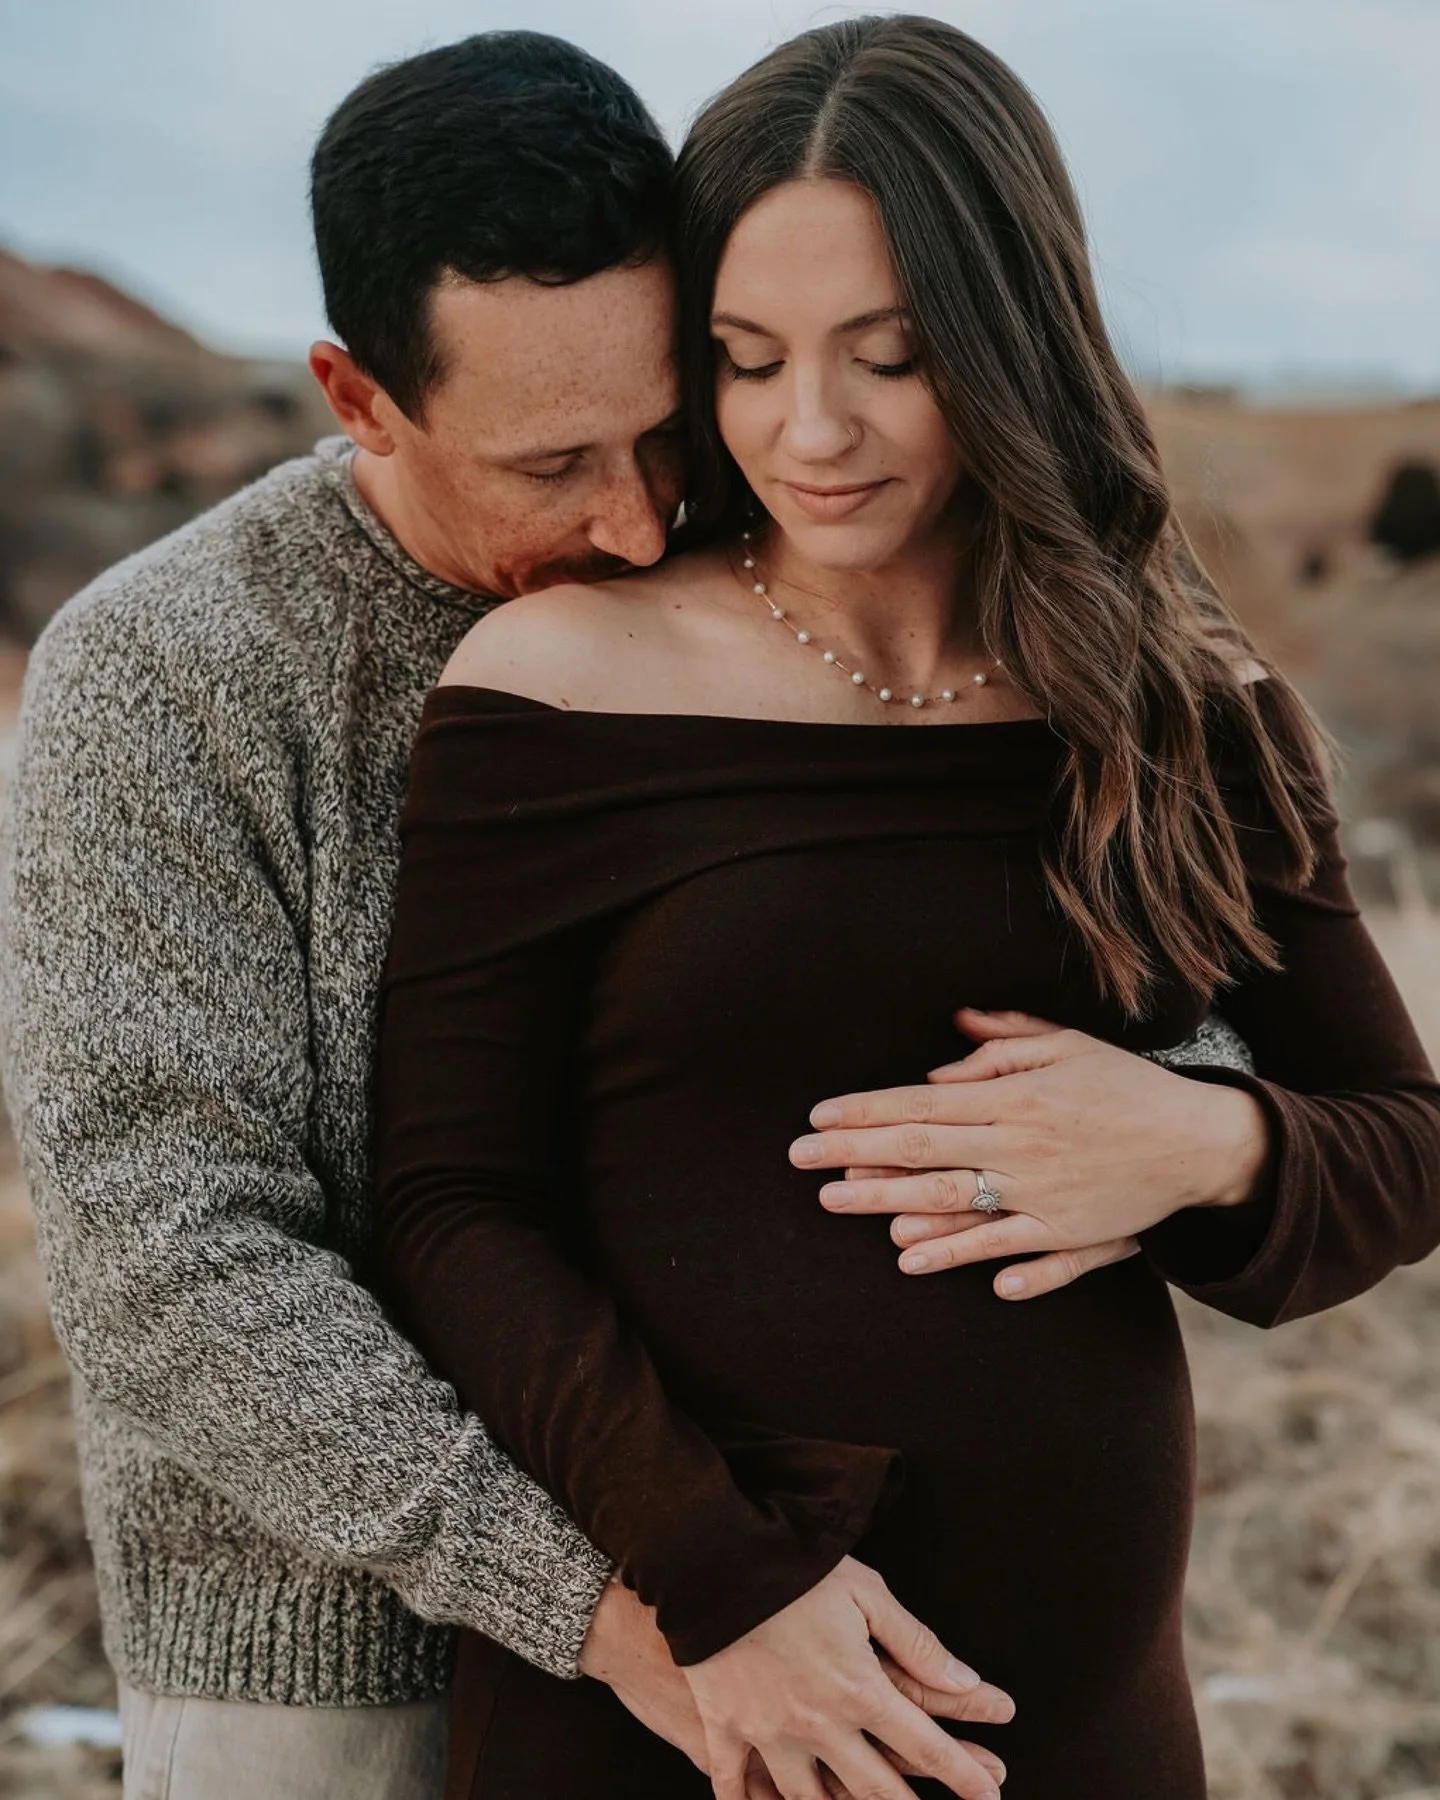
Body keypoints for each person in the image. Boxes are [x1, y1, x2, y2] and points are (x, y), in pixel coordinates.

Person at [369, 16, 1440, 1800]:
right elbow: (451, 1208)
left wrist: (1204, 1145)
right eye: (745, 360)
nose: (812, 429)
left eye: (892, 354)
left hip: (1075, 1720)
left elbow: (1405, 1141)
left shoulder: (1181, 708)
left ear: (1011, 340)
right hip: (694, 1701)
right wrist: (721, 1584)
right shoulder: (561, 684)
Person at [2, 31, 1017, 1800]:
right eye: (550, 467)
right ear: (357, 398)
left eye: (664, 432)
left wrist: (1191, 1108)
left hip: (803, 1596)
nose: (632, 527)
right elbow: (168, 1259)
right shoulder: (163, 677)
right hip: (346, 1676)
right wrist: (624, 1612)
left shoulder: (780, 571)